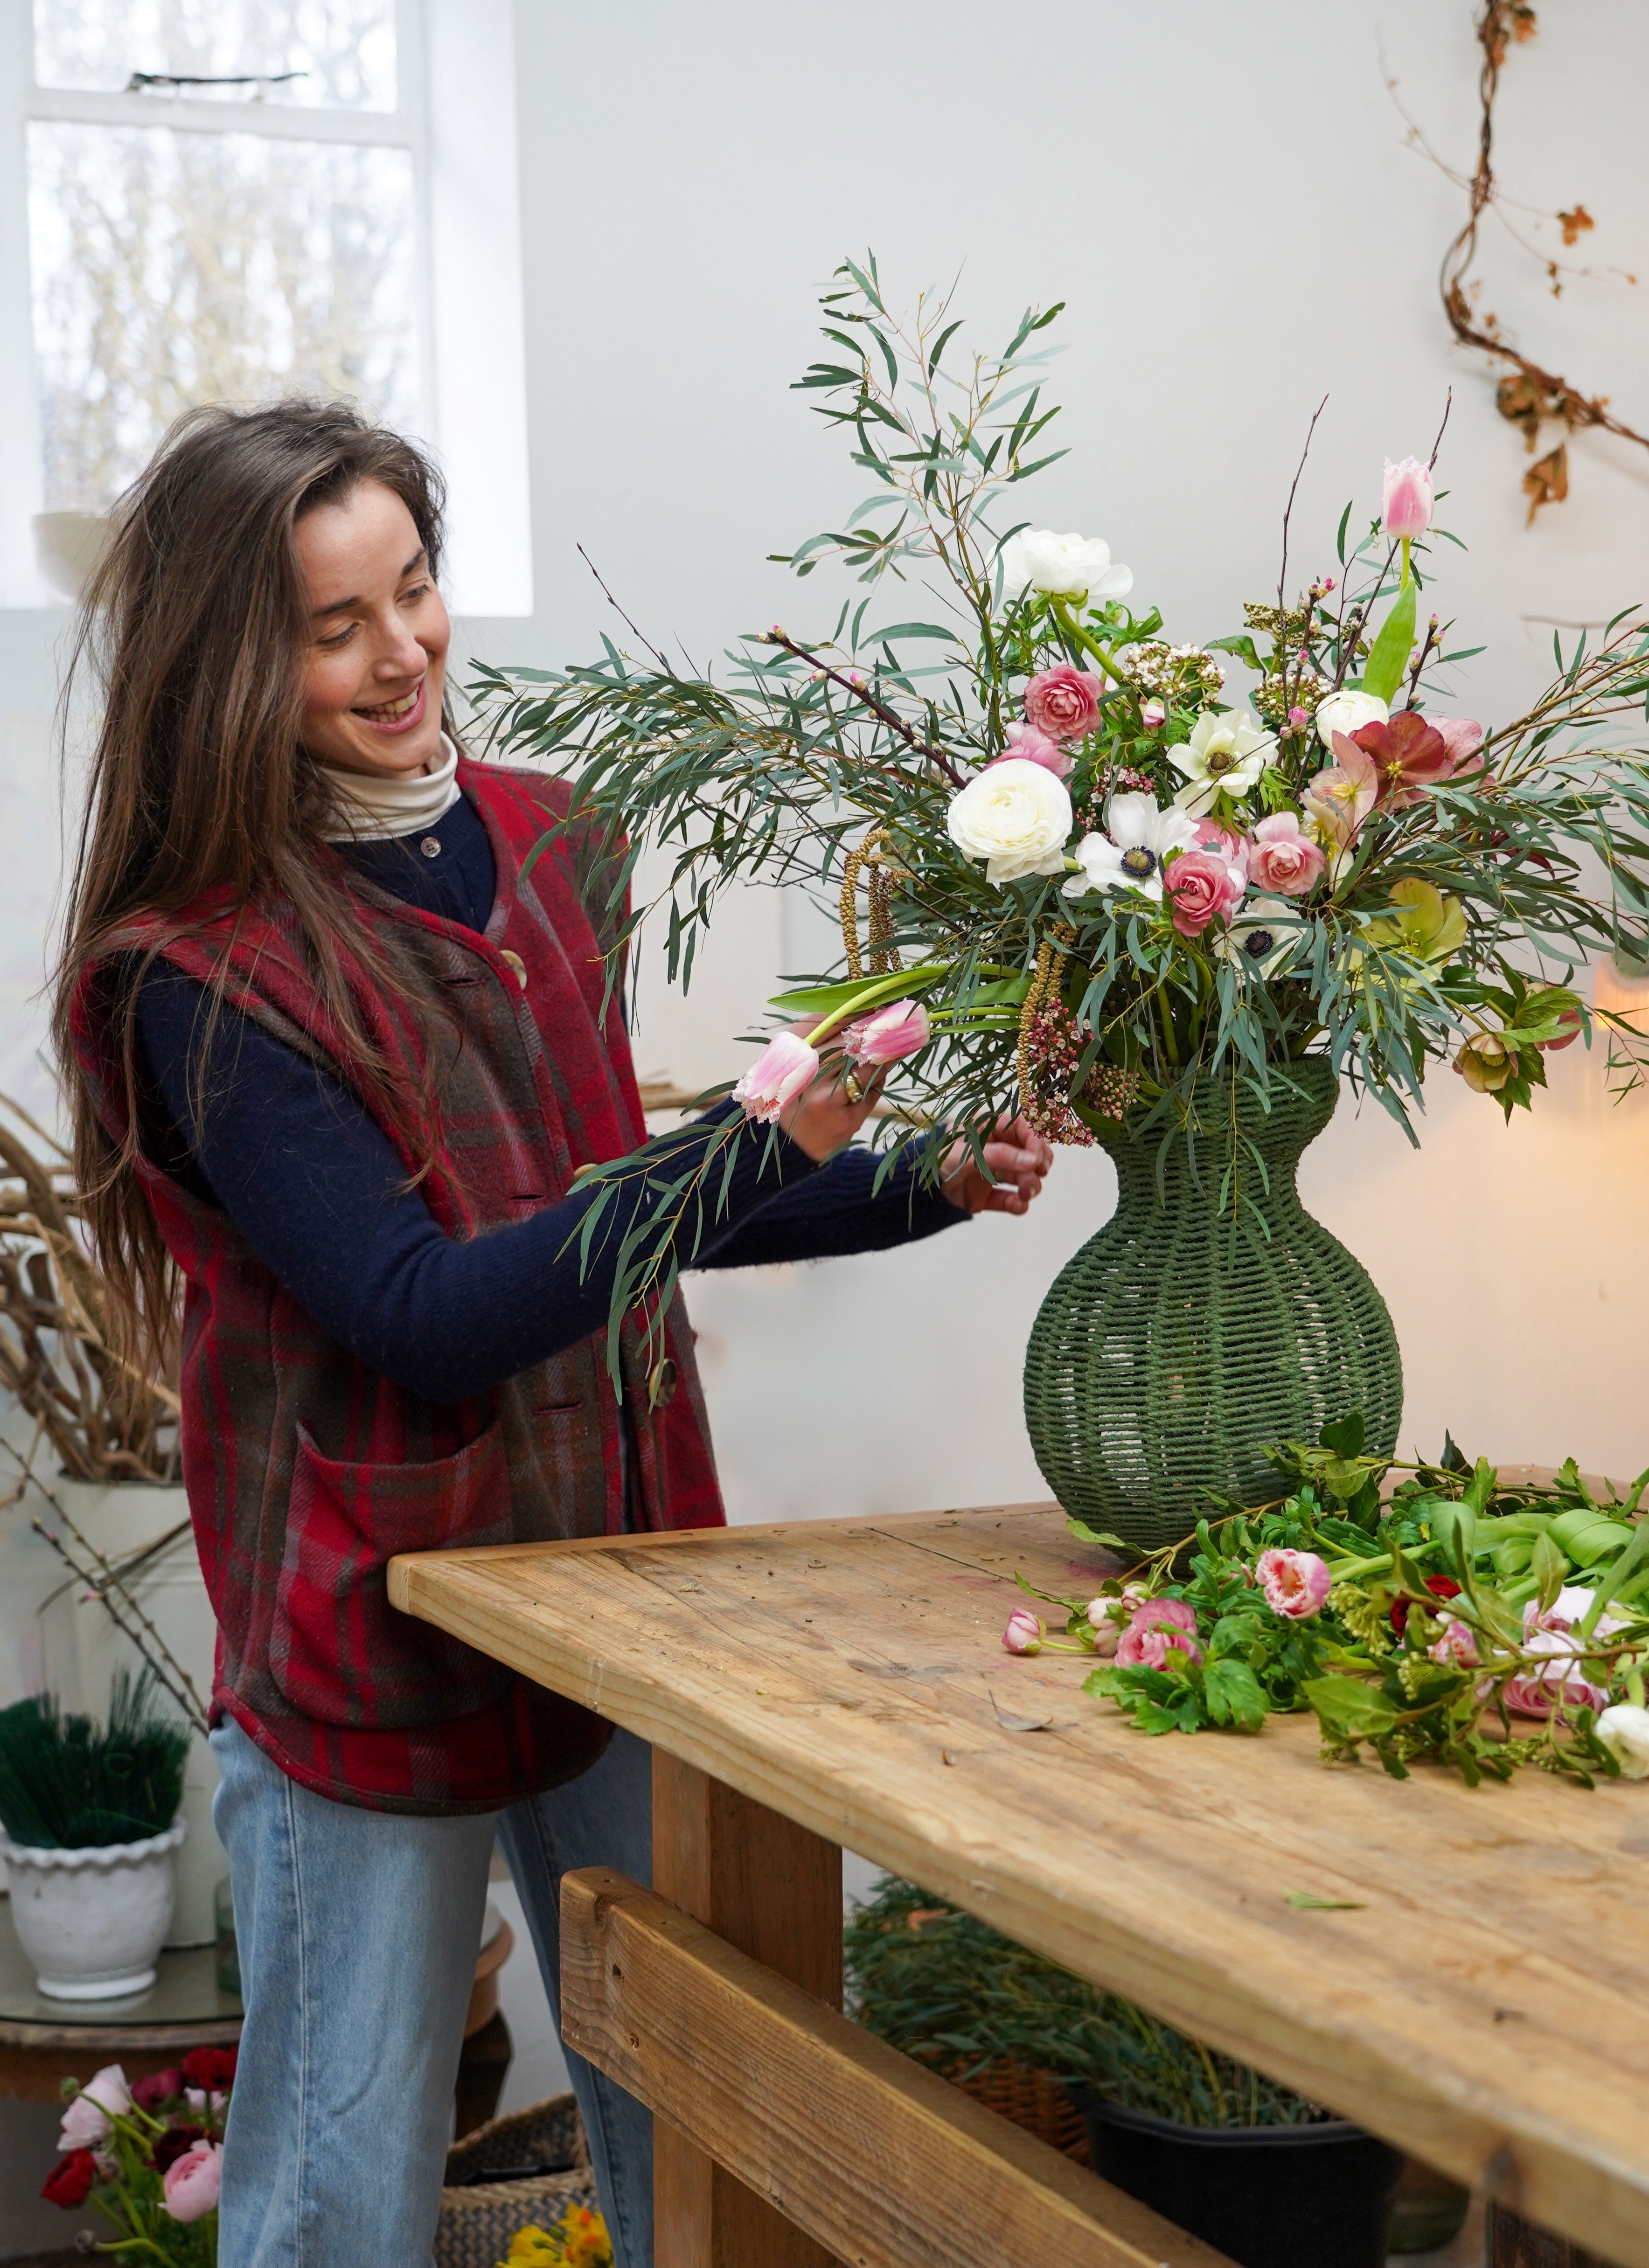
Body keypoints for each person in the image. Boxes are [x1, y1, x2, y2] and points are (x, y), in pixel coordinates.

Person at [53, 400, 1053, 2268]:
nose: (401, 652)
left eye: (412, 591)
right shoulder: (198, 980)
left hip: (620, 1574)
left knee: (689, 2144)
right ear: (228, 664)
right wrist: (759, 1142)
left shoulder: (550, 840)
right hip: (381, 1627)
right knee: (341, 2196)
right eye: (330, 625)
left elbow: (592, 1200)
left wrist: (915, 1177)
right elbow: (426, 1314)